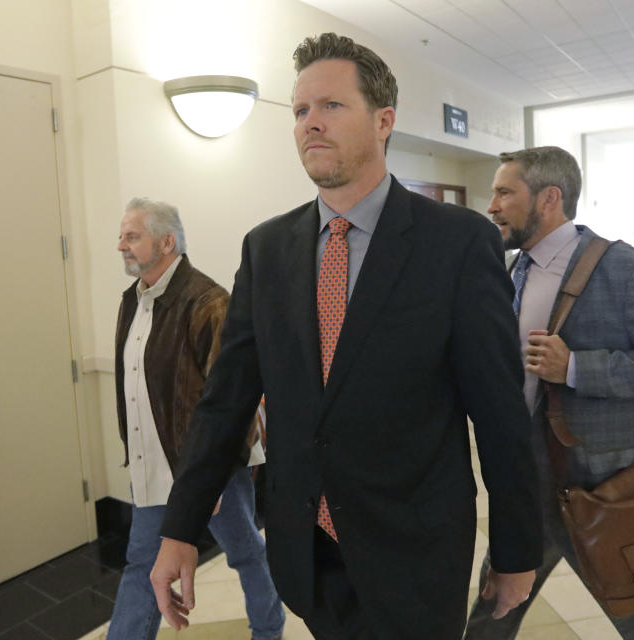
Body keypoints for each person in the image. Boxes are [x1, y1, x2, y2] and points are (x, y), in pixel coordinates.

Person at [149, 33, 542, 640]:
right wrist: (180, 527)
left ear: (383, 120)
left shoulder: (457, 243)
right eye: (301, 110)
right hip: (305, 546)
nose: (311, 123)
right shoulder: (268, 248)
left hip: (413, 548)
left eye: (331, 106)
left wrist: (516, 550)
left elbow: (497, 410)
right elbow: (225, 398)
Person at [465, 146, 634, 640]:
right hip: (528, 481)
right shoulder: (515, 266)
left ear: (548, 198)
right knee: (494, 605)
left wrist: (578, 366)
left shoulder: (626, 269)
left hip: (605, 488)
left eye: (503, 192)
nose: (492, 205)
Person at [109, 198, 285, 640]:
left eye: (132, 236)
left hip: (207, 470)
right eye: (122, 236)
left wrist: (217, 475)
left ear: (167, 242)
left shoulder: (209, 302)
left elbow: (235, 399)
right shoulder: (132, 301)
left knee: (245, 554)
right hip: (153, 468)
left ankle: (269, 629)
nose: (121, 246)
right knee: (142, 564)